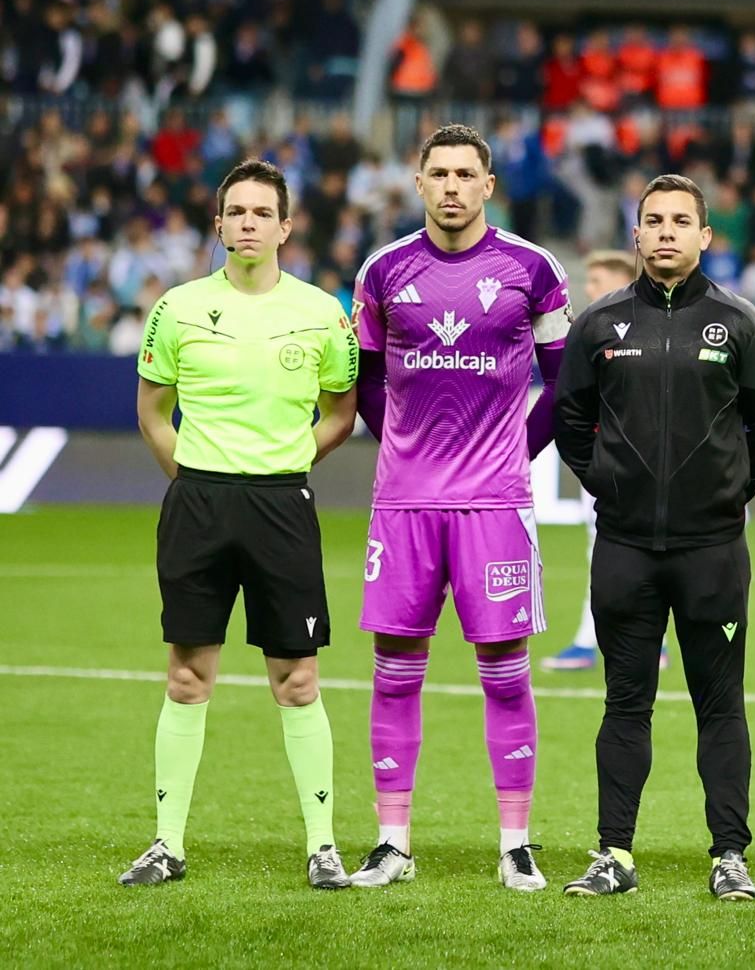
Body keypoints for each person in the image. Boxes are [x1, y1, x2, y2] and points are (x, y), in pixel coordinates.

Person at [346, 124, 572, 893]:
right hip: (404, 504)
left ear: (488, 185)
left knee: (506, 675)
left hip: (495, 506)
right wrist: (401, 448)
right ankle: (391, 842)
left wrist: (515, 453)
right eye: (437, 172)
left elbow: (564, 383)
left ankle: (515, 845)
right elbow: (368, 382)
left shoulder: (532, 270)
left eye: (464, 173)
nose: (450, 185)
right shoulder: (383, 271)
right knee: (393, 673)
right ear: (418, 183)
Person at [123, 158, 360, 889]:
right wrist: (194, 477)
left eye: (263, 213)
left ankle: (322, 846)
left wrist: (284, 467)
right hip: (196, 503)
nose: (249, 224)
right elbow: (152, 410)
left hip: (282, 505)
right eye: (237, 213)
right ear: (219, 224)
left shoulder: (323, 312)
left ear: (286, 226)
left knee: (297, 678)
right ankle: (167, 844)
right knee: (189, 675)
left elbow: (342, 413)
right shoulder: (178, 307)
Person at [554, 174, 755, 900]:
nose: (665, 232)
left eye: (680, 221)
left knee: (720, 704)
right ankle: (613, 855)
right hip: (624, 549)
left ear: (705, 236)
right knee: (625, 703)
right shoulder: (598, 325)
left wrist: (727, 492)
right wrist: (612, 484)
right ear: (636, 235)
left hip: (712, 551)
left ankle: (729, 856)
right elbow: (569, 421)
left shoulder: (740, 324)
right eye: (653, 221)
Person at [542, 250, 667, 675]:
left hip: (620, 462)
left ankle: (587, 642)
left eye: (596, 280)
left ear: (619, 281)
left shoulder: (620, 334)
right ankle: (654, 641)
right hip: (606, 460)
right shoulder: (599, 331)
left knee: (609, 550)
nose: (588, 288)